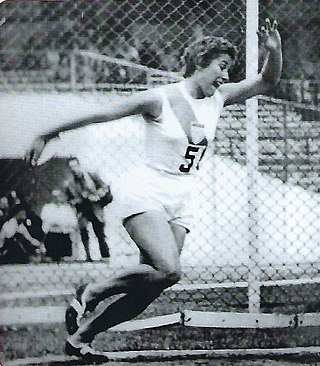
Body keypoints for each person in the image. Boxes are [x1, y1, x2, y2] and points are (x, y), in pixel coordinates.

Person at [25, 19, 282, 361]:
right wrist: (47, 133)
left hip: (182, 196)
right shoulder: (160, 98)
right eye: (221, 67)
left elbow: (266, 81)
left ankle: (81, 339)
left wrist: (274, 52)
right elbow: (102, 113)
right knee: (169, 269)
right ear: (199, 62)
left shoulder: (219, 98)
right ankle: (93, 290)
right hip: (146, 191)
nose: (225, 76)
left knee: (156, 281)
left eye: (229, 70)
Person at [64, 159, 113, 261]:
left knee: (99, 232)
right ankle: (88, 256)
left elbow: (104, 187)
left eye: (75, 166)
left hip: (95, 207)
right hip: (82, 209)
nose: (74, 169)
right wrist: (76, 201)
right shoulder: (70, 183)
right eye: (71, 167)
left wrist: (96, 196)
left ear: (79, 165)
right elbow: (69, 199)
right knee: (83, 232)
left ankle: (105, 256)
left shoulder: (91, 176)